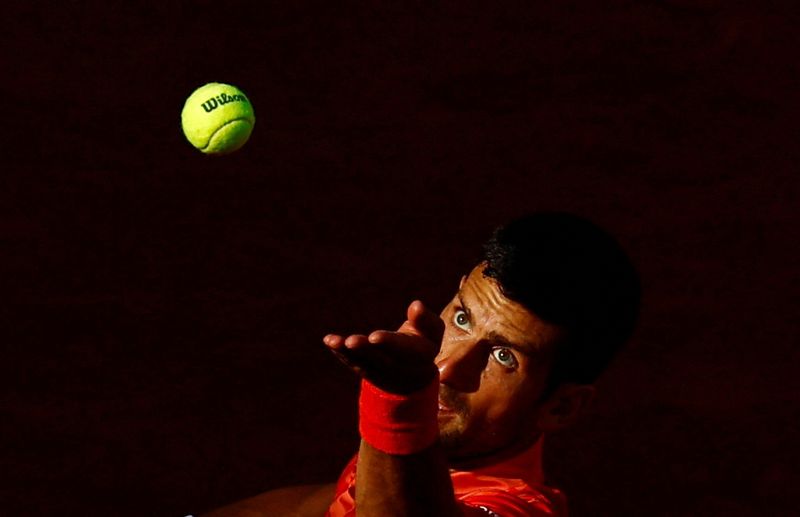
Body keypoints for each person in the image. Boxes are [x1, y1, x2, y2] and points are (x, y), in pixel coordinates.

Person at [203, 212, 641, 517]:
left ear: (560, 406)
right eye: (463, 318)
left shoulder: (519, 508)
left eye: (504, 356)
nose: (448, 369)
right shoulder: (427, 459)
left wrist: (398, 402)